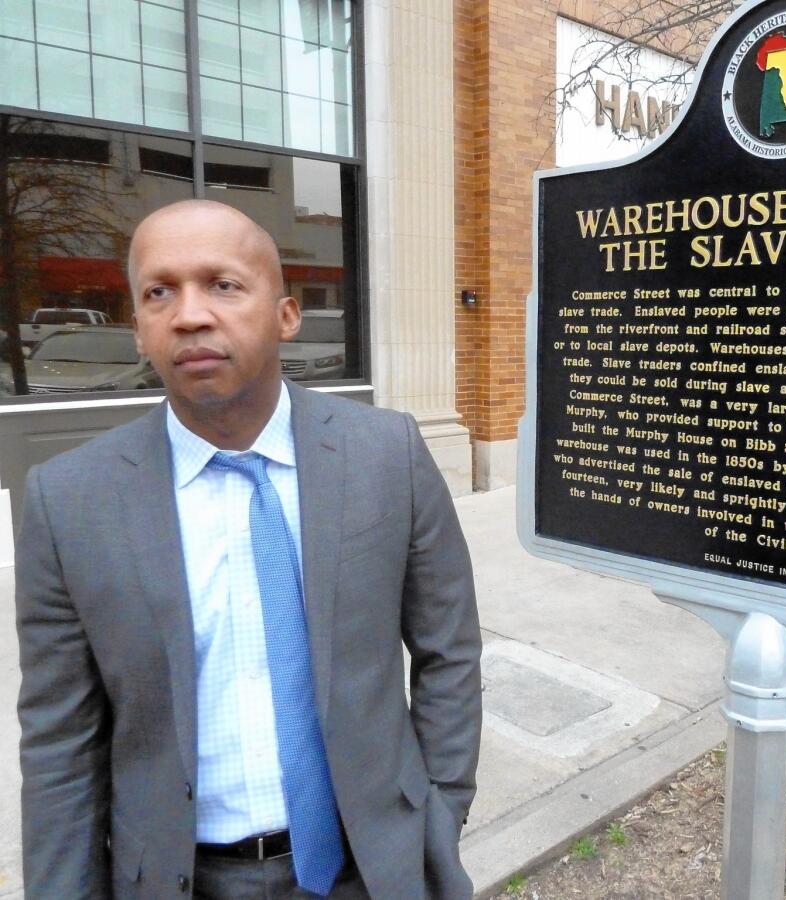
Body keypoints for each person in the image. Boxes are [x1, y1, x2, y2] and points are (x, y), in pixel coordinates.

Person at [15, 199, 482, 899]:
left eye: (223, 285)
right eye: (158, 292)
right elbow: (59, 742)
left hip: (373, 867)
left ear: (286, 315)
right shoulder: (67, 500)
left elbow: (448, 651)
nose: (190, 314)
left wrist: (437, 815)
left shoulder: (388, 455)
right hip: (180, 876)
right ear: (139, 329)